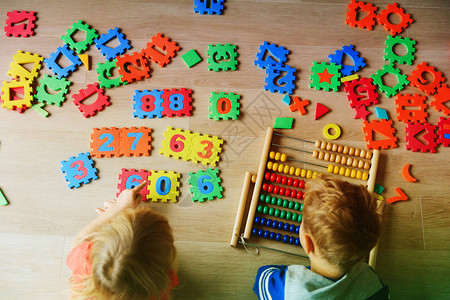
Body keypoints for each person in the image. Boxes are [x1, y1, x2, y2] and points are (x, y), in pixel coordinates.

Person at [253, 175, 389, 299]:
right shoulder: (372, 283)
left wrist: (289, 274)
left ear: (308, 242)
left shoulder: (287, 289)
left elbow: (262, 276)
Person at [67, 181, 178, 300]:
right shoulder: (161, 284)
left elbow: (81, 239)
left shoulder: (83, 261)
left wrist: (117, 209)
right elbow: (171, 264)